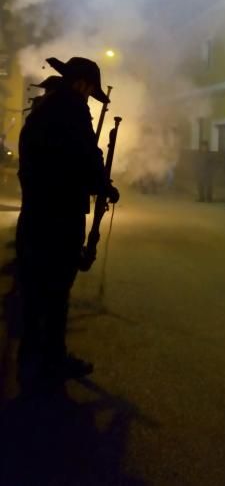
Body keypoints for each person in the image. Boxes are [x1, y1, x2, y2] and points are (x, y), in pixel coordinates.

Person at [16, 56, 119, 387]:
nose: (89, 96)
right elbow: (85, 158)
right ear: (81, 84)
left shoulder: (46, 109)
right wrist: (104, 187)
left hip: (36, 212)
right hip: (59, 215)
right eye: (89, 89)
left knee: (36, 291)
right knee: (56, 291)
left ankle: (32, 358)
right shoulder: (72, 112)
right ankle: (51, 360)